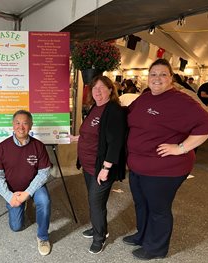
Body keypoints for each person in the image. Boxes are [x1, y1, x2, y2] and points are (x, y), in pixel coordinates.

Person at [124, 58, 208, 260]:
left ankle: (156, 249)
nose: (157, 79)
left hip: (164, 169)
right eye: (153, 74)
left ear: (171, 78)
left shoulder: (181, 101)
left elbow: (207, 125)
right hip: (138, 166)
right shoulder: (145, 98)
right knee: (141, 203)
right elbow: (128, 115)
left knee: (158, 210)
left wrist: (180, 148)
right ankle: (142, 235)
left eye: (163, 74)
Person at [70, 76, 127, 255]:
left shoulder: (114, 111)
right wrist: (77, 138)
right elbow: (94, 133)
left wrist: (106, 168)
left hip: (102, 167)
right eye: (95, 88)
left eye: (102, 88)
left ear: (111, 90)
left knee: (96, 203)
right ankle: (98, 228)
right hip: (88, 165)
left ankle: (99, 237)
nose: (98, 91)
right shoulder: (96, 107)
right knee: (93, 200)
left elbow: (115, 142)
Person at [0, 110, 52, 256]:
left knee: (44, 201)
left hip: (34, 187)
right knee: (16, 227)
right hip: (13, 191)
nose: (21, 126)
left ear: (31, 125)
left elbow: (44, 172)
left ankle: (43, 237)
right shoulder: (2, 147)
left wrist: (27, 193)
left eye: (25, 123)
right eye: (17, 123)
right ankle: (20, 205)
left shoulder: (38, 146)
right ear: (12, 125)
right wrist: (9, 197)